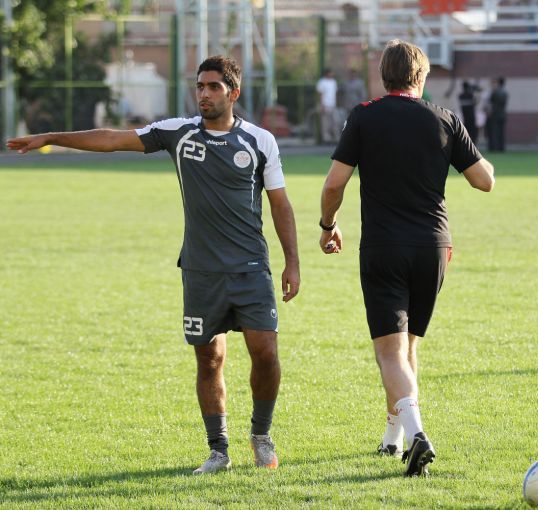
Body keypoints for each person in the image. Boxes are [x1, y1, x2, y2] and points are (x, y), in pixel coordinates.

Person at [6, 55, 300, 476]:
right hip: (201, 270)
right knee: (209, 359)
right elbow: (113, 139)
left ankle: (261, 434)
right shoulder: (178, 132)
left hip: (251, 267)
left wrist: (292, 263)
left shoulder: (259, 141)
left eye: (213, 87)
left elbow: (280, 205)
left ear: (233, 93)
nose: (203, 94)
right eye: (199, 86)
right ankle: (218, 450)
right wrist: (51, 137)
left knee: (266, 353)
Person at [318, 39, 495, 477]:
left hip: (384, 247)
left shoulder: (364, 115)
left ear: (384, 75)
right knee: (408, 345)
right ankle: (392, 439)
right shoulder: (445, 118)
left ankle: (416, 435)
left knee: (389, 352)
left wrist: (328, 225)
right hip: (434, 247)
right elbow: (484, 181)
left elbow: (335, 184)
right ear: (422, 76)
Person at [316, 68, 339, 143]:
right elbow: (320, 94)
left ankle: (336, 137)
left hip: (333, 104)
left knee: (335, 121)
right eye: (330, 73)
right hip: (325, 104)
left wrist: (336, 103)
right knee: (325, 122)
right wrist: (321, 105)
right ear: (327, 73)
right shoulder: (322, 82)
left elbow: (335, 93)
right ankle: (326, 138)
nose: (332, 74)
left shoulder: (333, 82)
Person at [487, 77, 508, 152]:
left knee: (494, 132)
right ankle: (501, 147)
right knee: (501, 132)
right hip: (502, 114)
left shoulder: (495, 92)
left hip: (495, 115)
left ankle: (494, 147)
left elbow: (491, 101)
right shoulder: (505, 92)